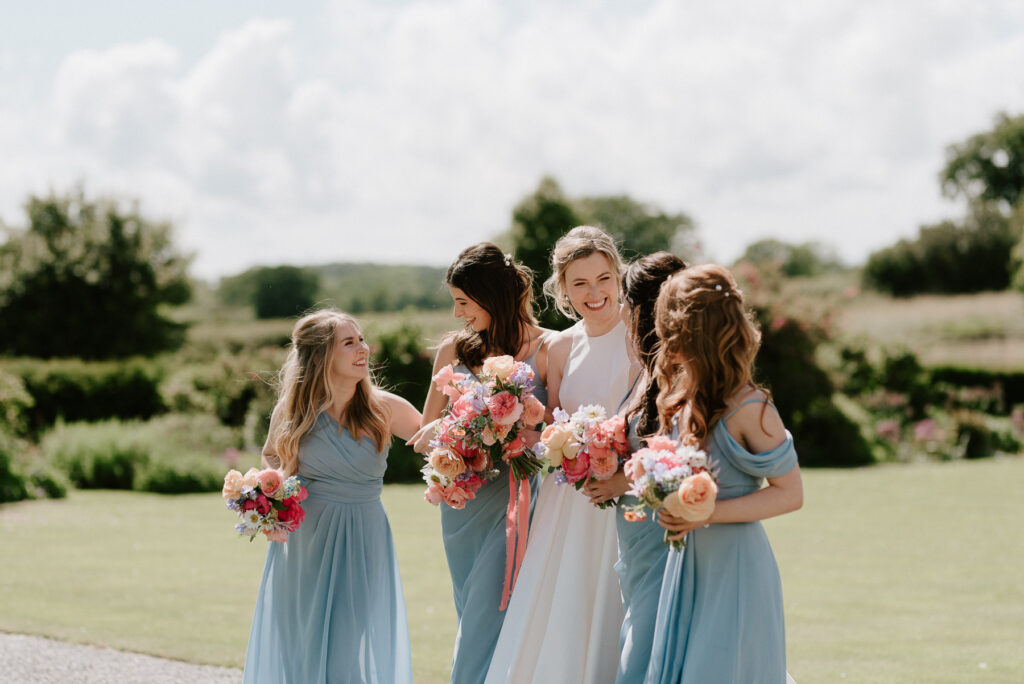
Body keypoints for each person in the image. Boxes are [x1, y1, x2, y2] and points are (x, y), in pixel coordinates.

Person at [485, 226, 636, 684]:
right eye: (580, 283)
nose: (595, 293)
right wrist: (509, 433)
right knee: (563, 604)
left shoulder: (643, 339)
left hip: (624, 493)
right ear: (563, 290)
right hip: (567, 500)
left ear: (618, 276)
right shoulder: (559, 346)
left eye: (604, 278)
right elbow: (547, 426)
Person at [645, 264, 803, 684]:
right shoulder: (680, 399)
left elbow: (790, 493)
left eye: (670, 329)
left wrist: (705, 513)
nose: (663, 340)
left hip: (735, 567)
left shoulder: (752, 407)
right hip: (687, 563)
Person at [243, 310, 421, 684]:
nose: (364, 349)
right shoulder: (293, 411)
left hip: (363, 538)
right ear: (322, 356)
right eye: (349, 342)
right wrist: (268, 496)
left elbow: (439, 443)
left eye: (361, 339)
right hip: (305, 543)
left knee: (344, 653)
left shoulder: (383, 408)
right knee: (301, 649)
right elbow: (272, 458)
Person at [412, 243, 550, 684]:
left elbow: (557, 432)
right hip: (463, 506)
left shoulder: (549, 348)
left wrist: (513, 434)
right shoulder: (454, 350)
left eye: (463, 303)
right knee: (470, 615)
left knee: (487, 624)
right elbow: (423, 436)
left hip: (517, 503)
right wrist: (469, 428)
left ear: (491, 298)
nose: (457, 315)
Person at [584, 252, 687, 683]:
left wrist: (620, 480)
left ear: (641, 308)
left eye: (627, 302)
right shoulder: (646, 371)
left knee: (648, 642)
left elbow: (680, 451)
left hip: (660, 527)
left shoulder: (676, 372)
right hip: (637, 532)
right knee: (642, 631)